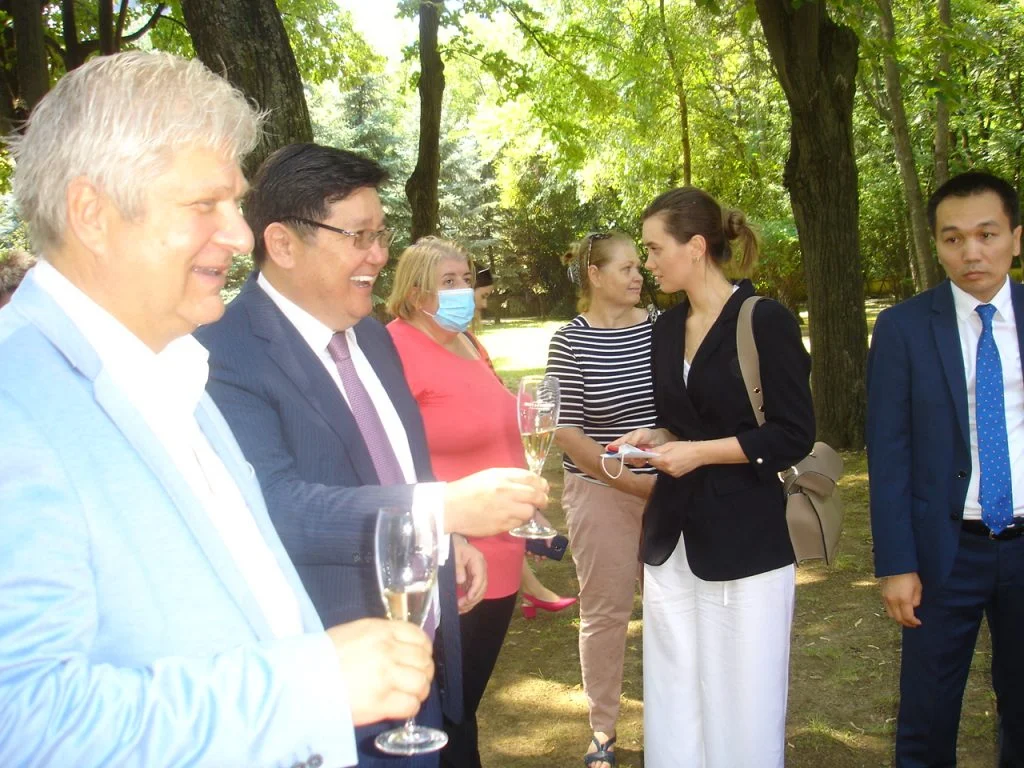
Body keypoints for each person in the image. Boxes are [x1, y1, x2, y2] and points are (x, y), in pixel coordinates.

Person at [0, 51, 434, 767]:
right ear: (92, 214)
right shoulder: (15, 408)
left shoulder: (176, 369)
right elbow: (22, 727)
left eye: (234, 203)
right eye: (206, 205)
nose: (239, 235)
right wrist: (310, 687)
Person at [195, 143, 549, 767]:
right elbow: (273, 506)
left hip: (420, 657)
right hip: (332, 687)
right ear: (282, 244)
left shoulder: (372, 337)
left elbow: (398, 464)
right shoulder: (221, 351)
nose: (380, 255)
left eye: (381, 234)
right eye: (359, 236)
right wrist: (442, 510)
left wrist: (445, 540)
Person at [611, 188, 814, 768]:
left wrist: (698, 454)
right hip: (672, 536)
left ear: (696, 247)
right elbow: (682, 423)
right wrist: (657, 439)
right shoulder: (665, 328)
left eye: (655, 249)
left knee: (744, 698)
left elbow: (792, 434)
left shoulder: (764, 320)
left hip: (746, 539)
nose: (647, 263)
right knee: (674, 693)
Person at [867, 170, 1024, 767]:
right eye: (953, 238)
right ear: (936, 244)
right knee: (927, 718)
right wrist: (897, 563)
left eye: (987, 234)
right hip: (943, 552)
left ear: (1015, 238)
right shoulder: (904, 328)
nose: (971, 252)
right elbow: (889, 452)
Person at [387, 236, 555, 768]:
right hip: (452, 551)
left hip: (504, 547)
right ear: (415, 292)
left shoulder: (470, 344)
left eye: (466, 278)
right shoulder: (393, 349)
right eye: (448, 282)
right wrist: (449, 526)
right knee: (447, 708)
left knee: (467, 700)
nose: (464, 290)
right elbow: (391, 454)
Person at [544, 231, 657, 767]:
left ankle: (675, 719)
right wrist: (628, 480)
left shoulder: (663, 327)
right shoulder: (569, 341)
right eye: (627, 267)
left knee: (674, 611)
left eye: (639, 266)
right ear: (595, 274)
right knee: (606, 614)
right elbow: (566, 431)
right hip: (599, 493)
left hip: (671, 489)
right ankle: (603, 731)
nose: (639, 275)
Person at [470, 263, 577, 617]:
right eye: (482, 295)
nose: (483, 304)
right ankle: (535, 590)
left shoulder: (470, 343)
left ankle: (533, 586)